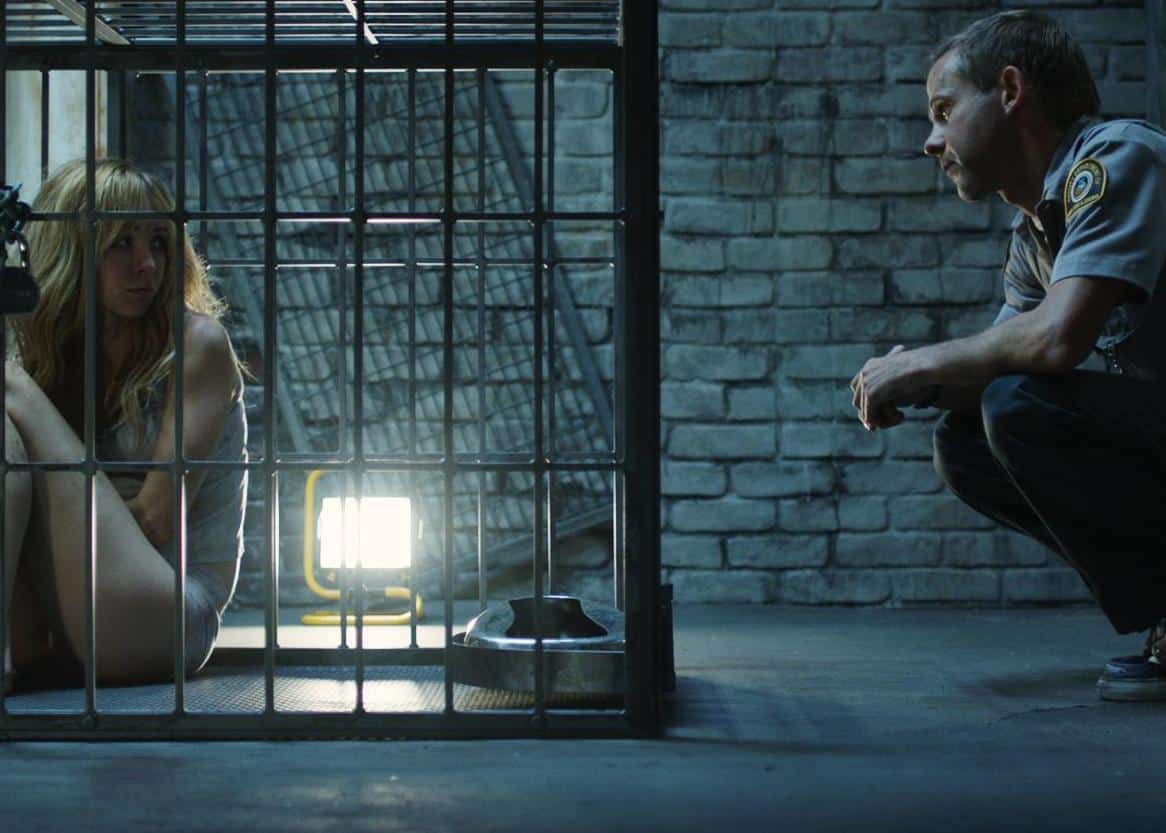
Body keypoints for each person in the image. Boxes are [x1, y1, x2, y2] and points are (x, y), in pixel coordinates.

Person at [847, 10, 1166, 701]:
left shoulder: (1120, 158)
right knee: (964, 440)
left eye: (944, 111)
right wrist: (915, 380)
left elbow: (1055, 339)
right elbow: (1001, 360)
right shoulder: (1036, 234)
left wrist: (924, 363)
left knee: (1016, 405)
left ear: (1011, 91)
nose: (931, 142)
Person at [2, 159, 248, 693]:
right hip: (61, 607)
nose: (147, 264)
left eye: (158, 242)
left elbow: (156, 521)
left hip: (164, 610)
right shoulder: (51, 350)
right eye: (121, 244)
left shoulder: (197, 345)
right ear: (73, 250)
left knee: (9, 386)